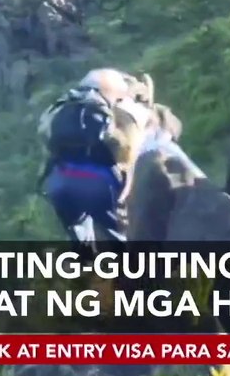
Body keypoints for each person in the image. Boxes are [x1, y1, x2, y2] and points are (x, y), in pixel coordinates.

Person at [36, 68, 161, 245]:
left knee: (81, 239)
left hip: (59, 181)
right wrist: (125, 185)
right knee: (119, 237)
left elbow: (46, 141)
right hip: (97, 182)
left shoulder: (59, 109)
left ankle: (88, 265)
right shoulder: (119, 111)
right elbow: (127, 152)